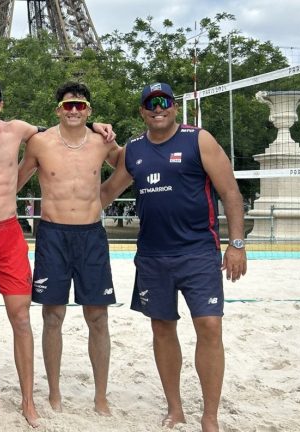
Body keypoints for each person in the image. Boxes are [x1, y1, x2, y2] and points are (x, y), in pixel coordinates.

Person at [0, 78, 114, 428]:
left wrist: (95, 125)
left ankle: (29, 400)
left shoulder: (18, 130)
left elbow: (61, 129)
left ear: (1, 103)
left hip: (8, 232)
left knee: (21, 318)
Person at [100, 82, 247, 432]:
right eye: (150, 104)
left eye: (164, 102)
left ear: (175, 107)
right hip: (152, 255)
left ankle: (210, 416)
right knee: (162, 328)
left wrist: (237, 244)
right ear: (142, 111)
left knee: (209, 326)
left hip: (198, 251)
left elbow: (230, 192)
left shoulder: (199, 140)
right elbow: (106, 192)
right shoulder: (134, 149)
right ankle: (175, 408)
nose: (158, 108)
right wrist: (66, 203)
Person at [17, 82, 121, 415]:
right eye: (68, 105)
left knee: (98, 317)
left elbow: (132, 165)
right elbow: (13, 182)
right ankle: (54, 392)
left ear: (88, 110)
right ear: (58, 110)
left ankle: (101, 396)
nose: (74, 110)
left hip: (91, 235)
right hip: (53, 235)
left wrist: (105, 196)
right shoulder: (40, 142)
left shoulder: (103, 142)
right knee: (53, 316)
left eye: (80, 105)